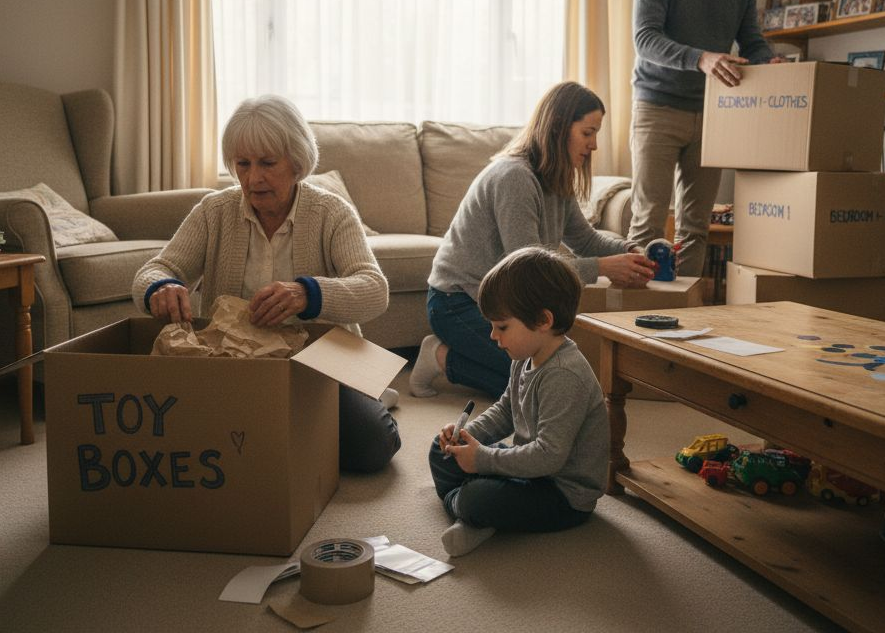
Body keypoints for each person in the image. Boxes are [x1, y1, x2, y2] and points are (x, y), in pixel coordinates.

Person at [132, 95, 401, 474]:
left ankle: (370, 398)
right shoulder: (214, 211)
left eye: (267, 163)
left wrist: (307, 293)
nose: (253, 178)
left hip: (320, 357)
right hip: (232, 360)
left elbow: (374, 289)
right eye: (242, 164)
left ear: (297, 162)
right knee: (193, 441)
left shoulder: (331, 212)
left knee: (372, 447)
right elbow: (156, 268)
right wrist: (160, 287)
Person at [412, 81, 655, 400]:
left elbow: (586, 240)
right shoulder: (514, 177)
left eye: (596, 133)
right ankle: (439, 357)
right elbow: (527, 272)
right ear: (557, 128)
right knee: (538, 388)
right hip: (457, 302)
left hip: (505, 304)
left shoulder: (555, 178)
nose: (594, 145)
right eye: (587, 132)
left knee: (555, 378)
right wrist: (603, 268)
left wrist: (630, 252)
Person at [627, 0, 783, 278]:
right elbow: (645, 40)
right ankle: (632, 321)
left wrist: (772, 63)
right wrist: (702, 58)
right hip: (657, 107)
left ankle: (684, 316)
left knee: (696, 227)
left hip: (713, 113)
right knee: (649, 221)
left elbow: (752, 43)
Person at [427, 246, 609, 557]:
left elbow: (549, 456)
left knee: (478, 497)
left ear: (542, 320)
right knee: (440, 450)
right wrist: (469, 436)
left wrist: (481, 459)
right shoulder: (523, 356)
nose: (493, 337)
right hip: (529, 469)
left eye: (502, 327)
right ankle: (475, 517)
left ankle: (471, 511)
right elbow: (506, 410)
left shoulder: (566, 375)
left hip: (562, 493)